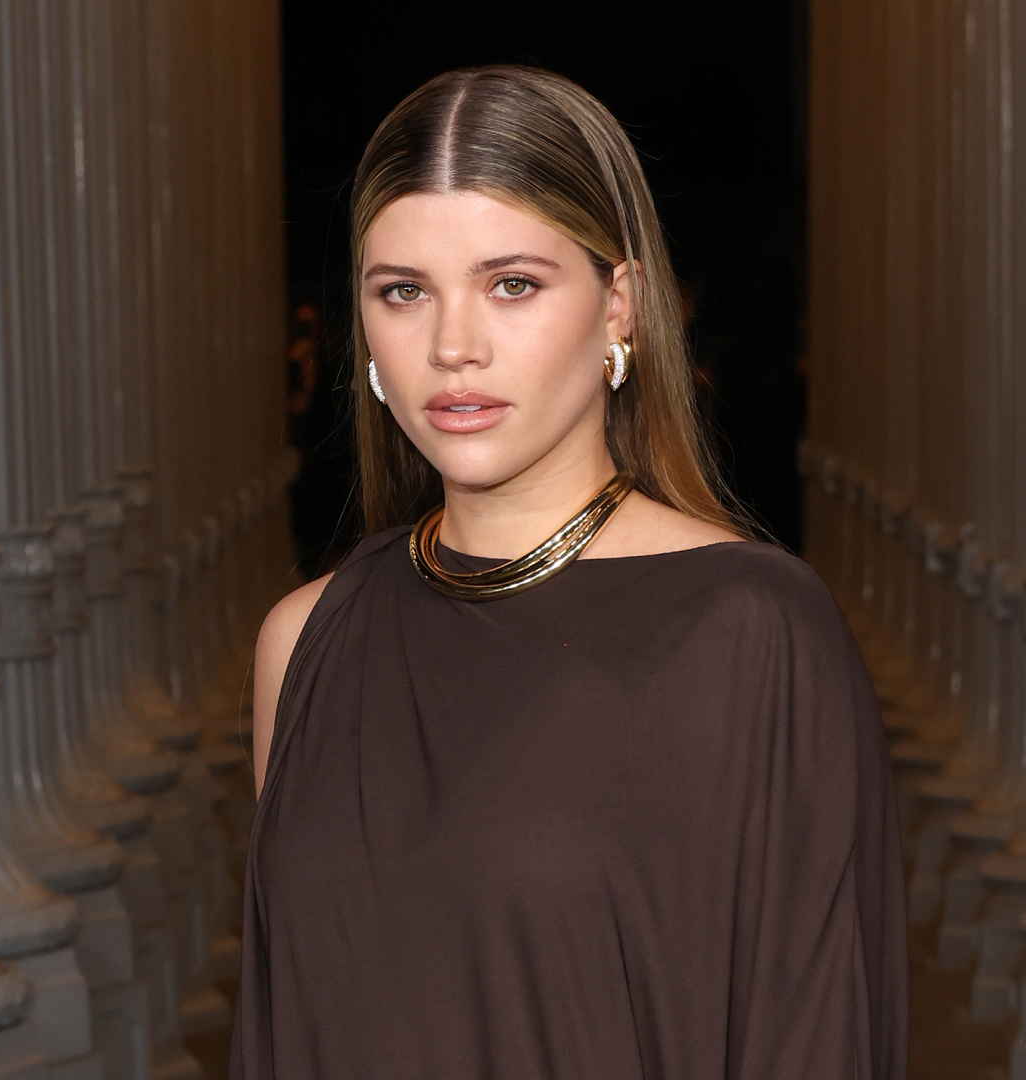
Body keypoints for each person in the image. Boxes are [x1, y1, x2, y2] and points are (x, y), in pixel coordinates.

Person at [230, 65, 907, 1080]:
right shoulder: (305, 642)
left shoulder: (751, 631)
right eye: (403, 292)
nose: (453, 346)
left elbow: (813, 1037)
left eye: (513, 284)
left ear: (620, 305)